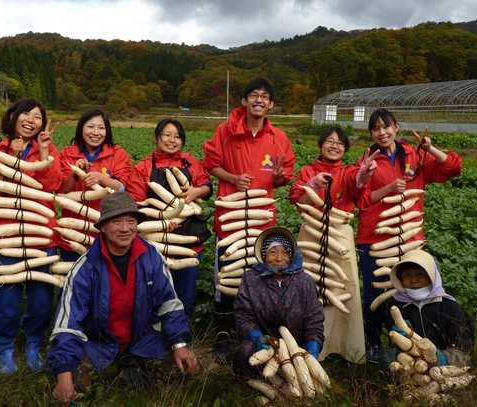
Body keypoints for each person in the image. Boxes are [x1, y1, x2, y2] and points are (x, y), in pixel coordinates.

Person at [47, 192, 198, 406]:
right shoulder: (85, 268)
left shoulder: (151, 257)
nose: (125, 228)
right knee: (71, 385)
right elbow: (68, 324)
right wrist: (62, 372)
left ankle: (129, 366)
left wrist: (180, 344)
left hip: (140, 339)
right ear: (103, 227)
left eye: (131, 221)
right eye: (117, 221)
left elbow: (169, 303)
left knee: (182, 369)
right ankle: (119, 368)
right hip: (97, 343)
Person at [355, 108, 462, 363]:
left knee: (411, 290)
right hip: (375, 237)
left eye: (386, 126)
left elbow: (452, 168)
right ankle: (373, 342)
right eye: (376, 128)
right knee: (374, 293)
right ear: (371, 133)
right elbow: (361, 199)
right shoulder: (368, 159)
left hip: (409, 236)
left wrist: (430, 147)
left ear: (396, 127)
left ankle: (410, 340)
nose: (382, 132)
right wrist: (387, 188)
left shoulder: (416, 155)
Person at [203, 78, 296, 360]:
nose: (258, 100)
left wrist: (280, 179)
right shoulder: (225, 131)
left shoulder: (278, 138)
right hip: (230, 217)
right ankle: (222, 332)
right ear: (243, 101)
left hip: (262, 222)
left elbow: (285, 175)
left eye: (264, 96)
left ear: (270, 104)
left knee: (259, 277)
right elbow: (210, 163)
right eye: (253, 95)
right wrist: (232, 178)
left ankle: (254, 332)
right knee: (226, 274)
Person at [0, 98, 61, 374]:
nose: (31, 119)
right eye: (25, 113)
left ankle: (34, 344)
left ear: (42, 124)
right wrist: (13, 157)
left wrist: (45, 150)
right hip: (5, 232)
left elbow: (52, 187)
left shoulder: (48, 150)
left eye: (38, 116)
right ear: (12, 116)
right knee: (7, 299)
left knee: (41, 298)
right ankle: (4, 347)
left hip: (41, 234)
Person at [289, 127, 377, 363]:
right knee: (310, 287)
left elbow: (358, 186)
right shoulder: (307, 171)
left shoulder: (349, 171)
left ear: (345, 149)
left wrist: (364, 175)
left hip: (340, 233)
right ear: (320, 145)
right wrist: (313, 184)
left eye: (340, 143)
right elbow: (299, 202)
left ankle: (341, 346)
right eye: (329, 141)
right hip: (312, 233)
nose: (334, 146)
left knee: (343, 288)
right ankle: (311, 343)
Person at [126, 119, 212, 319]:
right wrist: (163, 221)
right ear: (156, 138)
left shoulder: (190, 162)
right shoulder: (144, 167)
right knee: (154, 293)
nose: (172, 140)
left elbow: (206, 185)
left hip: (189, 238)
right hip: (154, 239)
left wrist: (197, 190)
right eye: (167, 135)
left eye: (177, 136)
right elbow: (136, 204)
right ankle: (154, 336)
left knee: (184, 294)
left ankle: (181, 338)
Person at [233, 226, 324, 378]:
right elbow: (243, 315)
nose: (279, 259)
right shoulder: (251, 279)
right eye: (273, 252)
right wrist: (257, 337)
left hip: (296, 347)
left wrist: (313, 345)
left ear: (292, 255)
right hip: (264, 347)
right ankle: (250, 383)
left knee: (301, 377)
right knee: (244, 350)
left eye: (285, 253)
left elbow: (314, 318)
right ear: (264, 254)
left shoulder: (304, 281)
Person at [58, 108, 132, 263]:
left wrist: (101, 178)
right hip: (72, 231)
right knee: (71, 280)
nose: (96, 132)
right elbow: (64, 190)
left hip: (106, 232)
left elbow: (122, 188)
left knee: (105, 282)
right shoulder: (67, 153)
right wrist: (75, 174)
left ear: (107, 130)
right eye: (90, 127)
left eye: (101, 127)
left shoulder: (117, 154)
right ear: (81, 128)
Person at [384, 249, 475, 366]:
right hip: (410, 357)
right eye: (407, 275)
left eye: (419, 274)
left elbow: (464, 345)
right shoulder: (396, 305)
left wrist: (445, 358)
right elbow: (392, 337)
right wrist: (400, 336)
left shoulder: (449, 306)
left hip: (444, 361)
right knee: (388, 357)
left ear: (432, 276)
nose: (413, 280)